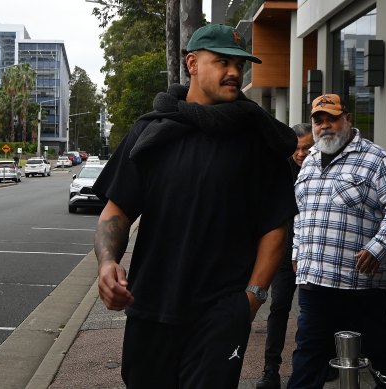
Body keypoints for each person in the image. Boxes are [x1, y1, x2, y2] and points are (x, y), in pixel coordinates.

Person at [92, 24, 298, 389]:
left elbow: (275, 228)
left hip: (219, 315)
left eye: (239, 63)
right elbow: (117, 212)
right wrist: (108, 263)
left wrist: (252, 299)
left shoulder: (258, 139)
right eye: (222, 61)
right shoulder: (152, 130)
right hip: (150, 306)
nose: (234, 72)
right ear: (192, 63)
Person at [287, 94, 386, 389]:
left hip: (362, 286)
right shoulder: (309, 162)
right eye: (319, 121)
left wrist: (378, 247)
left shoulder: (378, 160)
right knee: (307, 357)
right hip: (315, 282)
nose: (325, 126)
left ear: (348, 119)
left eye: (332, 118)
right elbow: (300, 212)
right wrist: (296, 250)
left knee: (380, 357)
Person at [256, 123, 314, 389]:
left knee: (313, 311)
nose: (301, 153)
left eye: (307, 148)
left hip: (314, 254)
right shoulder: (279, 171)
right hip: (284, 254)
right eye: (297, 148)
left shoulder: (322, 170)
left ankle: (316, 362)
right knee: (279, 308)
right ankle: (271, 370)